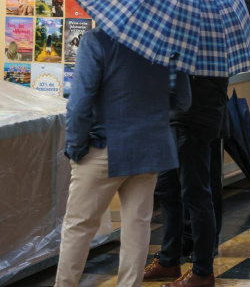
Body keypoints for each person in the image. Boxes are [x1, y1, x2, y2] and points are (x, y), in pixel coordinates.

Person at [54, 28, 191, 287]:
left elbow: (80, 103)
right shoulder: (169, 42)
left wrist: (75, 147)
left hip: (103, 147)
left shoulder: (98, 40)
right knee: (138, 227)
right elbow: (183, 101)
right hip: (151, 147)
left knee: (79, 227)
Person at [143, 76, 228, 287]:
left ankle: (202, 272)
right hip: (176, 118)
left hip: (194, 119)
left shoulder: (210, 47)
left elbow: (209, 87)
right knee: (166, 187)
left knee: (196, 195)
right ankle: (169, 259)